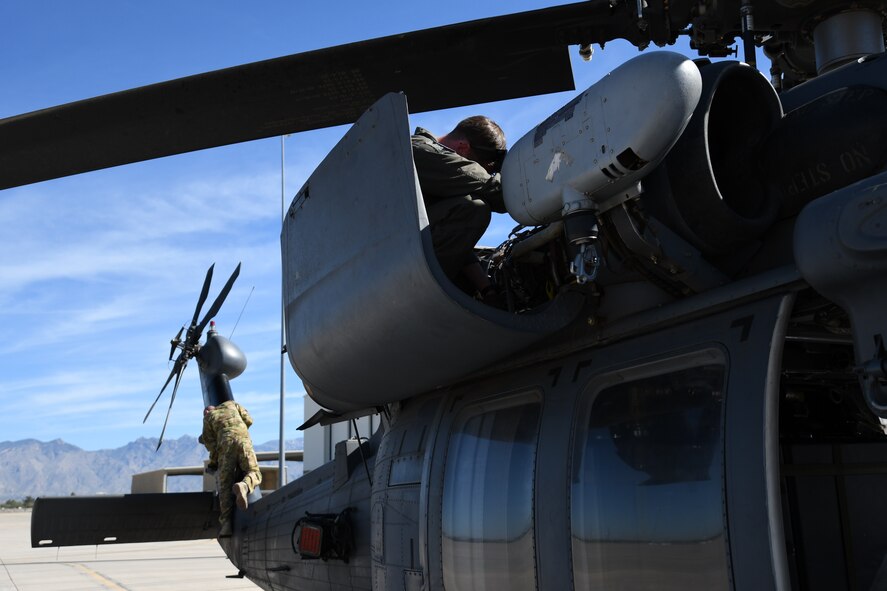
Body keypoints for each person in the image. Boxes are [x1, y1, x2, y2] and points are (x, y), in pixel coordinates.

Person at [411, 115, 508, 304]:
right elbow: (497, 191)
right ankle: (420, 300)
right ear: (463, 147)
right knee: (474, 208)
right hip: (394, 261)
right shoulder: (421, 150)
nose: (480, 171)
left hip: (407, 252)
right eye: (479, 166)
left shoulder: (440, 182)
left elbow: (452, 239)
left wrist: (487, 289)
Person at [201, 400, 262, 537]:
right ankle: (245, 486)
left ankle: (226, 525)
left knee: (225, 486)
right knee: (254, 472)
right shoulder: (232, 404)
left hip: (225, 444)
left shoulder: (208, 418)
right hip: (243, 441)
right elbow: (249, 420)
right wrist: (239, 429)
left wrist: (213, 462)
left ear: (208, 411)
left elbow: (210, 445)